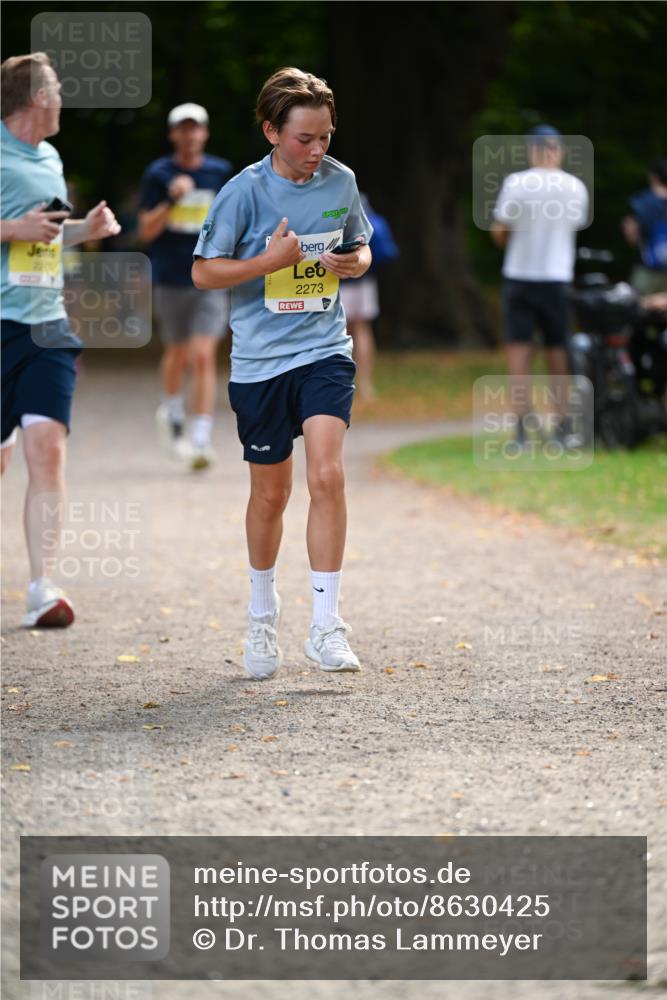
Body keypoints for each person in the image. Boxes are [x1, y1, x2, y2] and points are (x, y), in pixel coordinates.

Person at [192, 67, 373, 679]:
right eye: (304, 138)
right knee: (271, 494)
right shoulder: (242, 192)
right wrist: (267, 262)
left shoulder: (341, 180)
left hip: (324, 350)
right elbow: (203, 272)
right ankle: (261, 616)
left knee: (327, 475)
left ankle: (326, 626)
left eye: (325, 136)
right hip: (260, 363)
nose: (317, 149)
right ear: (272, 132)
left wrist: (355, 262)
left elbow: (361, 244)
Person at [1, 52, 120, 627]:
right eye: (57, 88)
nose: (64, 98)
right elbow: (20, 231)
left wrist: (83, 230)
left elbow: (42, 236)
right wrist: (11, 228)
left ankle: (42, 588)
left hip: (47, 325)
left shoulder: (50, 156)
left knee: (47, 446)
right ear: (35, 98)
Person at [138, 103, 233, 470]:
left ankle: (201, 440)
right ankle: (173, 411)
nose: (190, 135)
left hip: (210, 277)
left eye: (196, 128)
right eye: (183, 128)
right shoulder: (158, 174)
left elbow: (232, 222)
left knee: (203, 355)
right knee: (177, 352)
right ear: (173, 134)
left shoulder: (220, 172)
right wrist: (172, 199)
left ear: (205, 133)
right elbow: (147, 231)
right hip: (170, 277)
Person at [491, 125, 589, 449]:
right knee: (558, 352)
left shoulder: (517, 183)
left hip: (519, 275)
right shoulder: (575, 187)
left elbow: (500, 231)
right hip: (557, 278)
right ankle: (562, 426)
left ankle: (521, 431)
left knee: (519, 353)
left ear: (533, 150)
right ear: (559, 150)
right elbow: (574, 226)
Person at [339, 194, 398, 400]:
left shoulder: (336, 206)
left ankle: (344, 383)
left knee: (341, 333)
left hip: (340, 282)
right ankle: (365, 385)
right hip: (365, 280)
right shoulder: (366, 208)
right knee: (362, 329)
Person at [621, 158, 667, 296]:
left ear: (653, 177)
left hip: (647, 271)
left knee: (639, 305)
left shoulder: (643, 201)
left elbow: (632, 237)